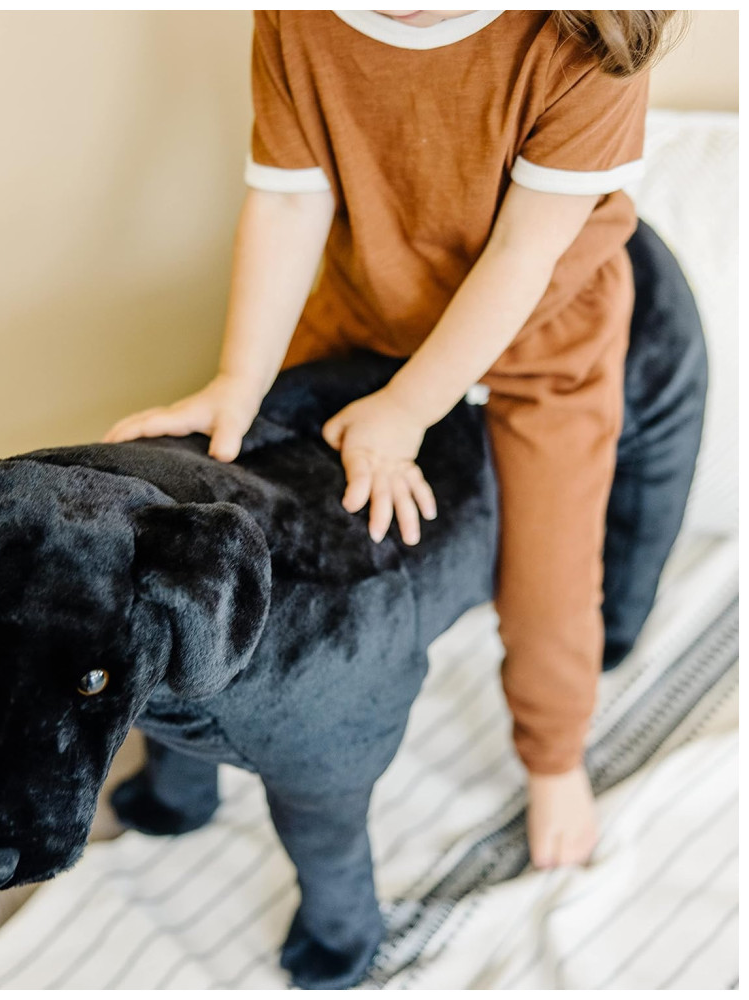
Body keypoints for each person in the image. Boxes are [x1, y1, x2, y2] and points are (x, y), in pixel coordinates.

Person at [104, 10, 681, 869]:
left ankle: (555, 757)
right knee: (264, 499)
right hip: (367, 309)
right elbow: (290, 198)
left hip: (545, 339)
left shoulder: (587, 38)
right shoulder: (299, 20)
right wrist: (238, 383)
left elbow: (523, 255)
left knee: (550, 579)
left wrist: (406, 411)